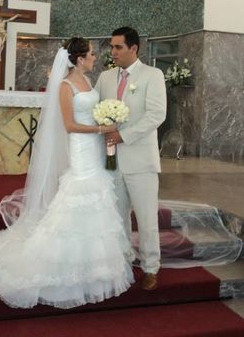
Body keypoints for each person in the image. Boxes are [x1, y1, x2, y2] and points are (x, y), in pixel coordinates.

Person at [0, 38, 134, 309]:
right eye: (92, 54)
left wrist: (106, 121)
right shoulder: (65, 86)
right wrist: (99, 130)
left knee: (98, 198)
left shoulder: (88, 83)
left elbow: (91, 113)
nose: (96, 57)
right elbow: (70, 125)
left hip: (95, 147)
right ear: (80, 59)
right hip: (82, 149)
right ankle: (60, 265)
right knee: (80, 197)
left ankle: (90, 265)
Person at [95, 27, 167, 291]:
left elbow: (156, 115)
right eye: (111, 47)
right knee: (117, 216)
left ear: (133, 49)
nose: (112, 52)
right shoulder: (104, 77)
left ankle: (150, 267)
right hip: (111, 161)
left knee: (147, 218)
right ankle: (124, 262)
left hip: (140, 160)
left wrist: (123, 135)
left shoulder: (152, 75)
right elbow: (95, 109)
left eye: (118, 47)